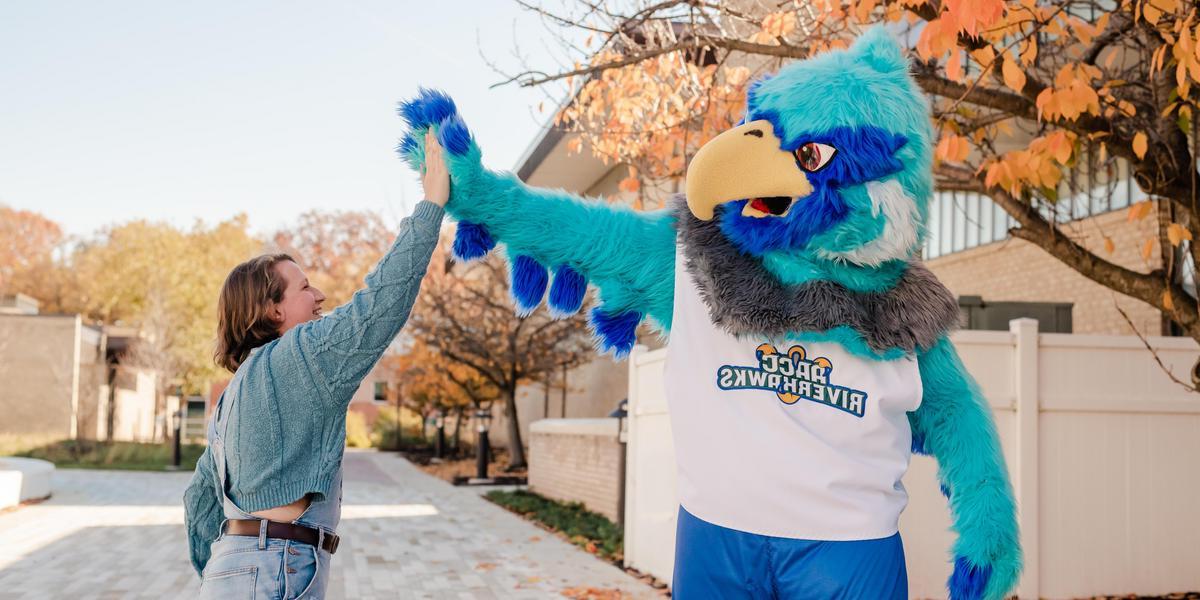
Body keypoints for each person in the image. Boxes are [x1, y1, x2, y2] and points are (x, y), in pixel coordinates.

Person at [183, 132, 450, 599]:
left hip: (231, 570)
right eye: (304, 287)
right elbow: (380, 305)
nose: (320, 295)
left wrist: (223, 572)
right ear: (273, 311)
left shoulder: (232, 397)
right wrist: (431, 206)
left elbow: (199, 503)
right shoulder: (299, 358)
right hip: (276, 569)